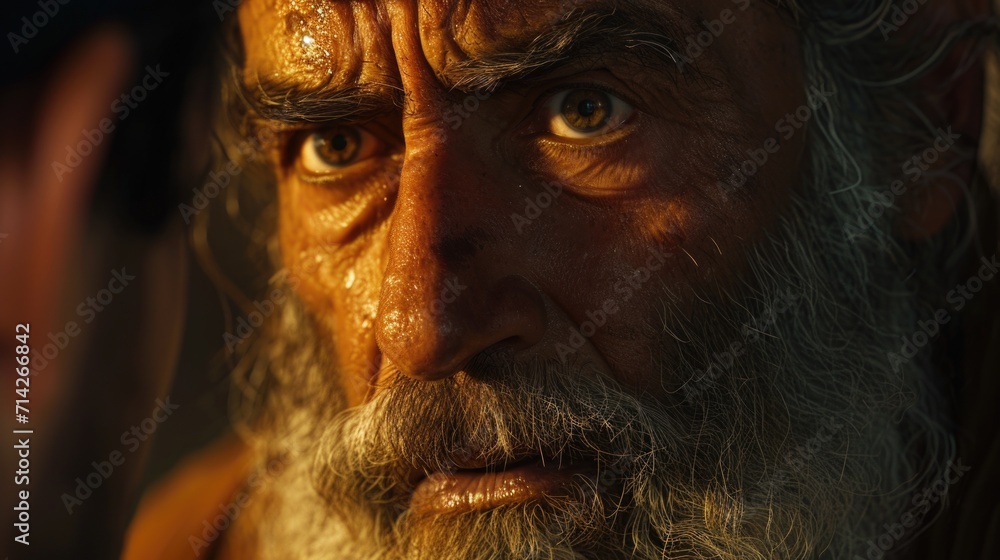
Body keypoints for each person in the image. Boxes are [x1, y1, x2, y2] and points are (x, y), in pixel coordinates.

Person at [23, 0, 1000, 559]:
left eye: (586, 110)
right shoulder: (206, 542)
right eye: (334, 144)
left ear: (917, 125)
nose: (422, 324)